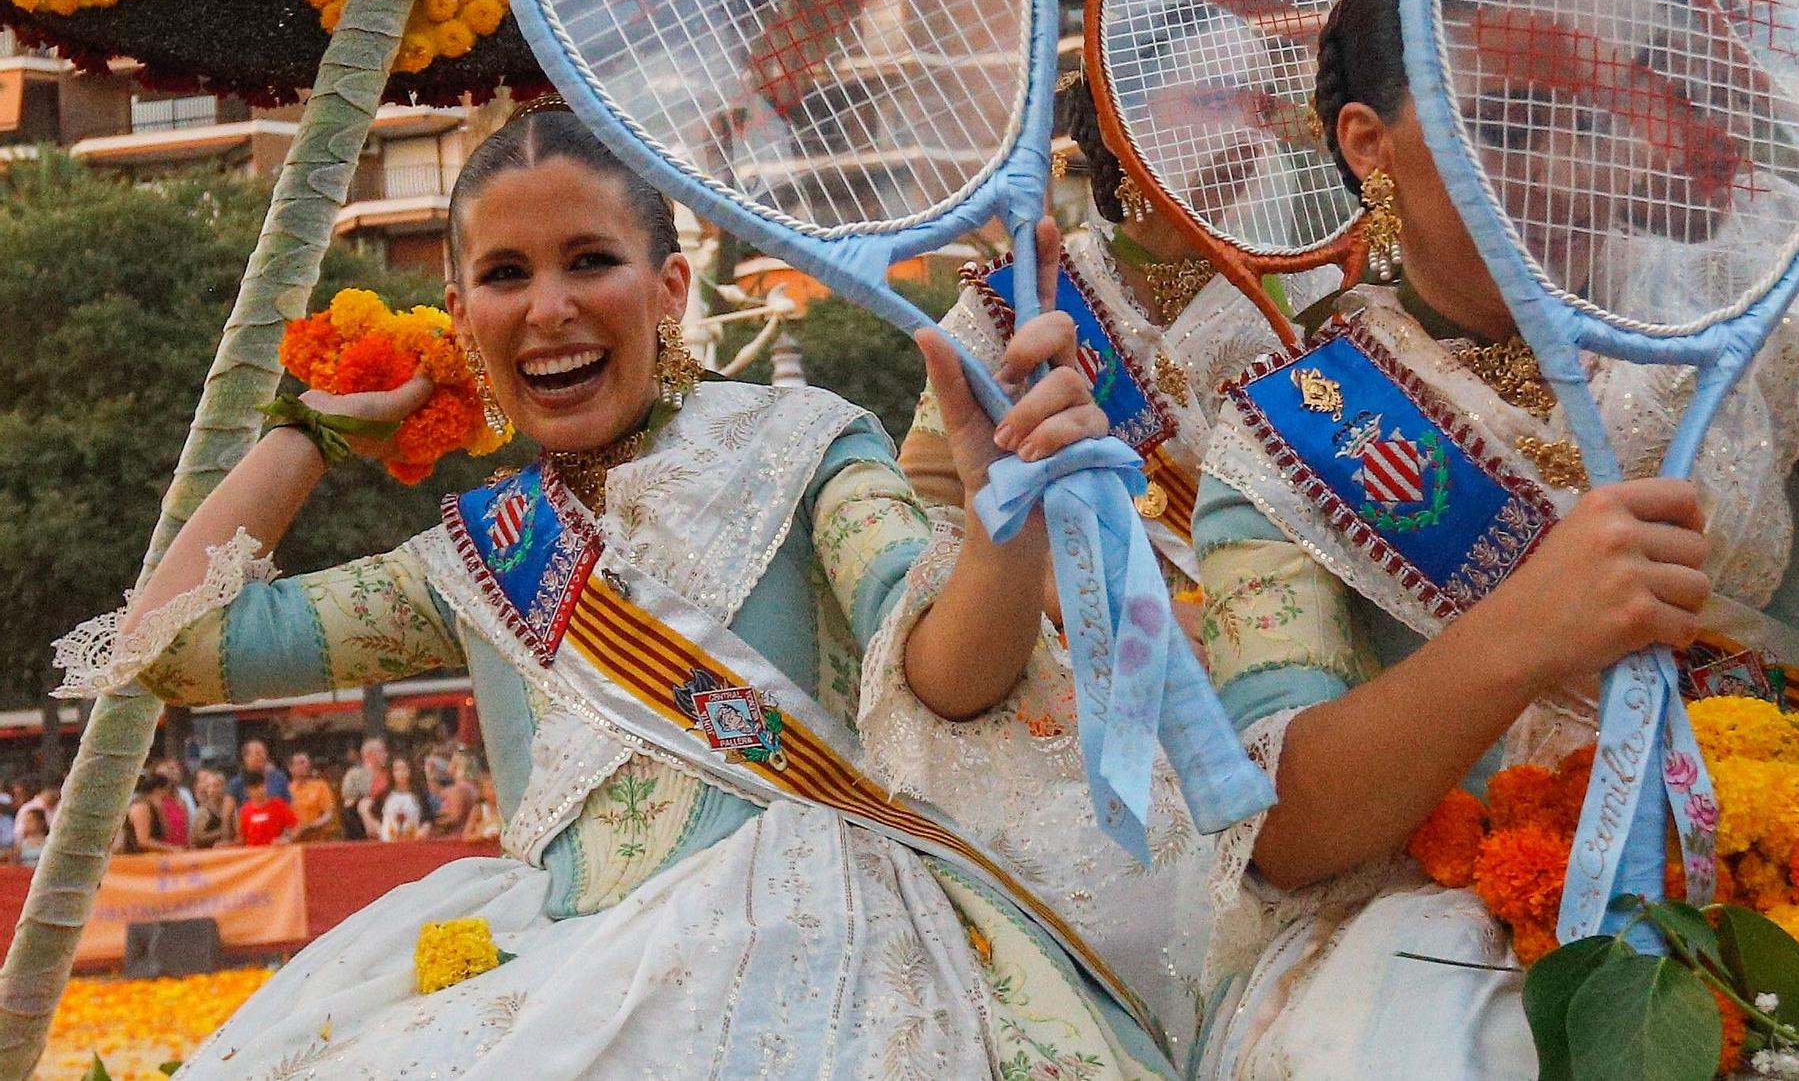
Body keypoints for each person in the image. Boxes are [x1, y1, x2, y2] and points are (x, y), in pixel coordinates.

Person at [54, 101, 1175, 1080]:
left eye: (589, 260)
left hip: (811, 950)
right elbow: (174, 647)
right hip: (556, 971)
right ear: (458, 313)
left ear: (669, 287)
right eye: (505, 275)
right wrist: (315, 427)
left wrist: (1000, 522)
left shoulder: (802, 443)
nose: (547, 307)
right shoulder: (475, 555)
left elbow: (946, 673)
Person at [1189, 0, 1799, 1081]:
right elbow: (1283, 824)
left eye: (1593, 111)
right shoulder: (1287, 433)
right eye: (1508, 127)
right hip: (1452, 967)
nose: (1569, 167)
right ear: (1369, 145)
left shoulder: (1769, 316)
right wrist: (1520, 632)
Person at [878, 77, 1319, 1058]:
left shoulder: (1322, 309)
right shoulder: (1017, 301)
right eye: (1218, 101)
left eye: (1260, 104)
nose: (1255, 129)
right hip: (1065, 689)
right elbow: (935, 518)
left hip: (1272, 684)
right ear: (1124, 130)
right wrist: (1082, 590)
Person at [119, 772, 183, 855]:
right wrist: (171, 849)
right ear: (158, 790)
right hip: (136, 858)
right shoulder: (141, 806)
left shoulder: (155, 807)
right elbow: (143, 841)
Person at [340, 735, 389, 840]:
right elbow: (349, 800)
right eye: (382, 751)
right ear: (370, 754)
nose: (386, 755)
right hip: (365, 819)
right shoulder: (354, 774)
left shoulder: (390, 774)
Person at [286, 752, 339, 842]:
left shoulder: (320, 786)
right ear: (291, 768)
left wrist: (311, 826)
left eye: (307, 762)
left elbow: (329, 814)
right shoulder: (286, 790)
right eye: (301, 763)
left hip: (317, 841)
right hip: (293, 844)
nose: (306, 765)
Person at [236, 770, 298, 847]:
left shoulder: (279, 805)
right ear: (247, 791)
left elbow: (296, 828)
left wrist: (287, 839)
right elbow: (241, 839)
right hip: (254, 855)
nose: (260, 790)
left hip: (276, 854)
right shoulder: (245, 810)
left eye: (261, 785)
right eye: (255, 788)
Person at [227, 738, 289, 805]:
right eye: (258, 753)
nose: (262, 756)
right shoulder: (237, 783)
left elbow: (289, 804)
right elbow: (227, 812)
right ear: (246, 757)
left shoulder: (279, 778)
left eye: (264, 752)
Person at [189, 765, 237, 850]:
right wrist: (220, 832)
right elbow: (197, 837)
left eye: (216, 785)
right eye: (209, 786)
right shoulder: (203, 811)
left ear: (224, 786)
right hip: (208, 855)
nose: (213, 789)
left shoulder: (230, 806)